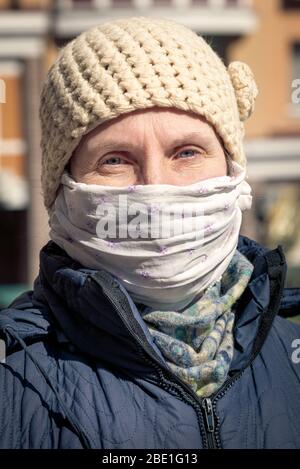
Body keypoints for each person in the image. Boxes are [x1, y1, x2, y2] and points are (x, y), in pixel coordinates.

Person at [0, 16, 300, 450]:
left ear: (233, 169)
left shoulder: (289, 356)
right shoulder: (13, 378)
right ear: (62, 191)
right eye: (115, 160)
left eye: (187, 152)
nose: (156, 187)